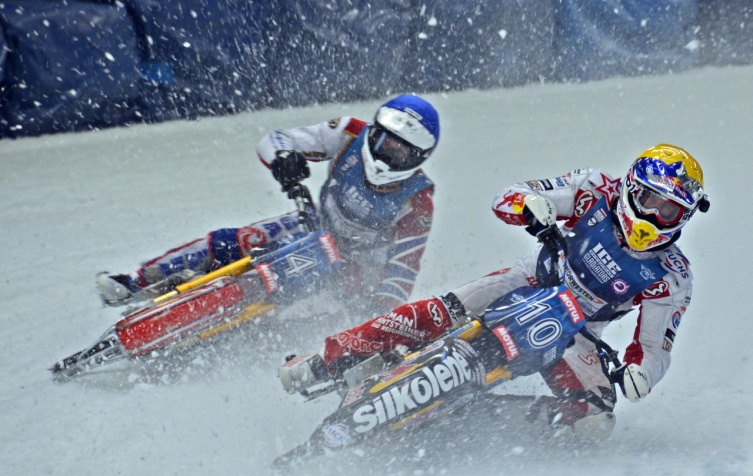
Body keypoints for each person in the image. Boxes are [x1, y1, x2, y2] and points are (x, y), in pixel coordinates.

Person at [279, 144, 710, 441]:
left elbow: (654, 347)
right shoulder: (594, 189)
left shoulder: (672, 276)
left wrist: (643, 376)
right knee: (437, 312)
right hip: (530, 280)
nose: (656, 217)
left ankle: (472, 424)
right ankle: (323, 361)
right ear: (632, 189)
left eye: (671, 210)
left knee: (593, 424)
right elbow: (510, 195)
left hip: (577, 333)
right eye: (652, 202)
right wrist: (530, 206)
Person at [96, 94, 440, 317]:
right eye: (383, 141)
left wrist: (376, 313)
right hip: (314, 224)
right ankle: (135, 281)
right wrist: (284, 158)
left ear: (418, 157)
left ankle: (243, 333)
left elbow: (401, 274)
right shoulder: (350, 132)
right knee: (232, 240)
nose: (386, 154)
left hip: (358, 268)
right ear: (373, 131)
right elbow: (273, 139)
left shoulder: (418, 202)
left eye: (400, 151)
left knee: (303, 307)